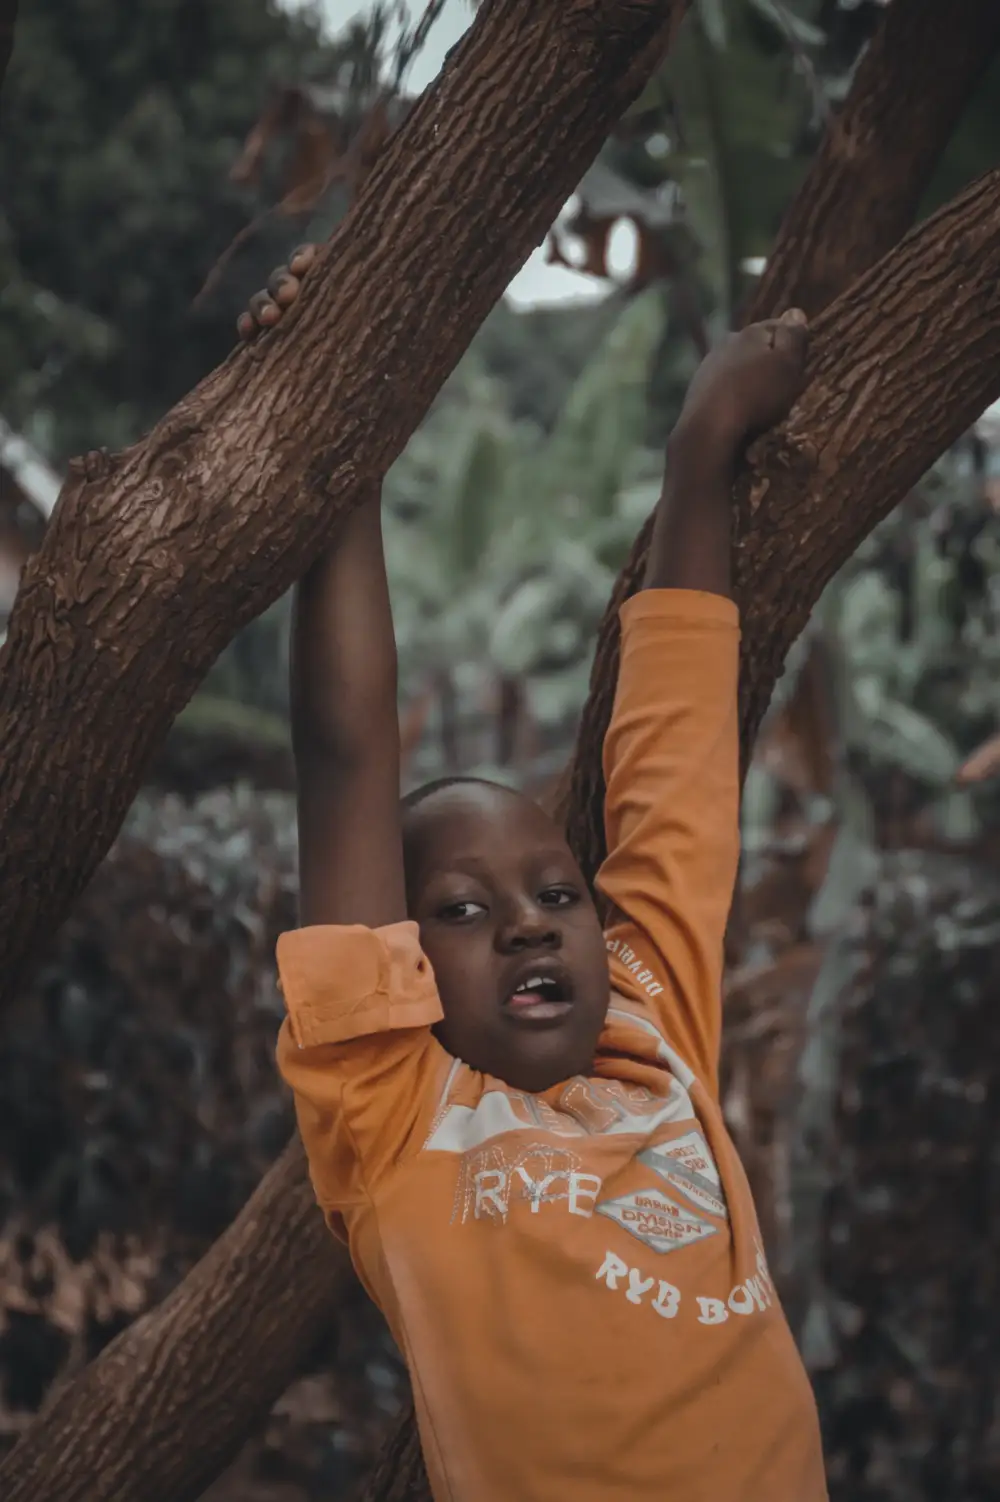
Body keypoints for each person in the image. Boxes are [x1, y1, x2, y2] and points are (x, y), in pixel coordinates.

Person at [242, 245, 828, 1500]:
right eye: (458, 910)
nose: (527, 926)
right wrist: (343, 462)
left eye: (558, 895)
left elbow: (673, 752)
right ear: (395, 959)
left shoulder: (649, 1013)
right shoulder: (390, 1107)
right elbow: (346, 756)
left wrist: (699, 452)